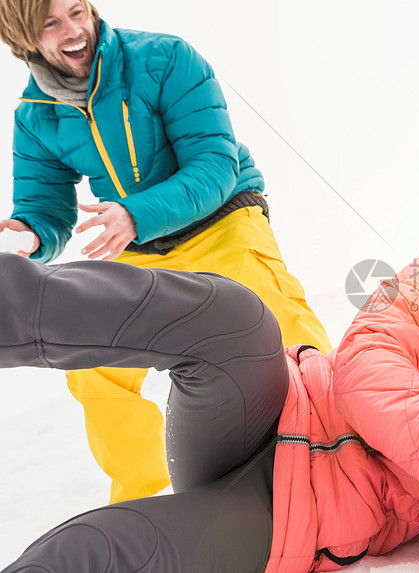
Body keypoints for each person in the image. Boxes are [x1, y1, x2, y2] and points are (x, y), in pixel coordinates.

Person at [0, 140, 419, 572]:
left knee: (94, 549)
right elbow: (367, 373)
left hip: (300, 513)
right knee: (236, 315)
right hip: (268, 405)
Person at [0, 0, 331, 503]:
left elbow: (214, 164)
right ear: (23, 38)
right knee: (92, 366)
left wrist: (135, 214)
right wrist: (24, 238)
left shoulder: (164, 57)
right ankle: (147, 502)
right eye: (51, 24)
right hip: (137, 245)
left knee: (276, 319)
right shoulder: (36, 118)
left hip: (220, 218)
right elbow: (46, 210)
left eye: (77, 11)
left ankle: (341, 445)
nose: (73, 31)